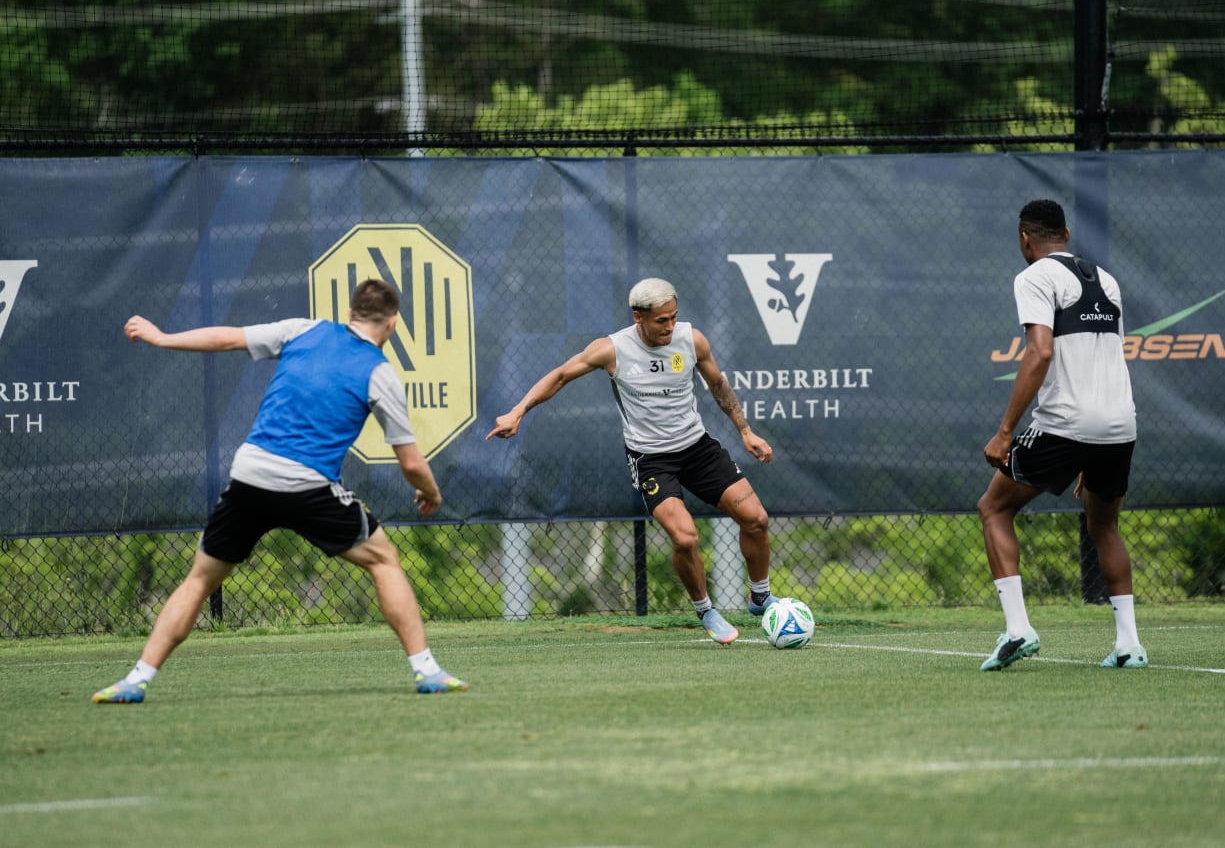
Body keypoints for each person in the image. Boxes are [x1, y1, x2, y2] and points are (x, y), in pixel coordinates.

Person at [92, 279, 468, 702]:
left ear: (349, 313)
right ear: (393, 323)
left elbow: (227, 338)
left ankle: (136, 679)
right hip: (308, 487)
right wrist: (431, 493)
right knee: (384, 560)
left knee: (199, 580)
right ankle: (427, 671)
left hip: (250, 475)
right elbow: (413, 464)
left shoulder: (303, 330)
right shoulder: (380, 374)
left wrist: (162, 338)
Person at [486, 278, 777, 644]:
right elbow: (560, 376)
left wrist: (746, 431)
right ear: (638, 317)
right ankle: (706, 610)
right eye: (661, 321)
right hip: (652, 459)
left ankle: (761, 596)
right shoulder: (611, 350)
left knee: (756, 520)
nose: (669, 326)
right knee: (685, 538)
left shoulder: (692, 340)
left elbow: (718, 385)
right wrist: (517, 412)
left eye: (673, 317)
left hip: (698, 448)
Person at [977, 199, 1146, 672]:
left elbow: (1040, 352)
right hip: (1118, 425)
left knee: (994, 508)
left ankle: (1017, 629)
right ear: (1066, 235)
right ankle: (1129, 643)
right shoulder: (1106, 279)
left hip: (1067, 423)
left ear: (1025, 239)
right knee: (1104, 525)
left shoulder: (1032, 277)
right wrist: (1089, 453)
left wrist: (1006, 431)